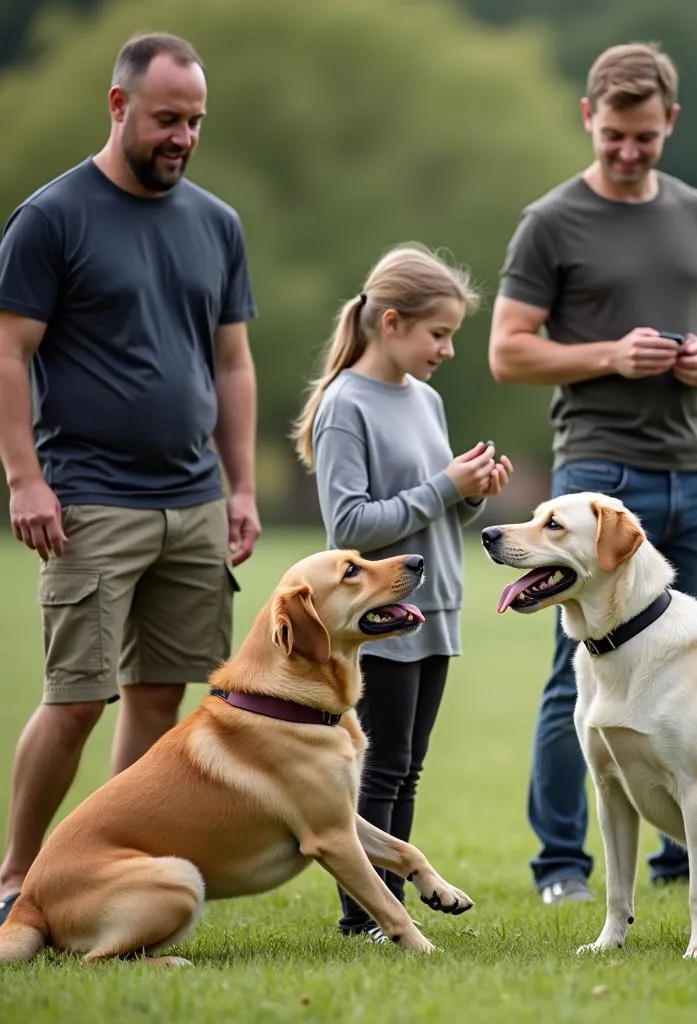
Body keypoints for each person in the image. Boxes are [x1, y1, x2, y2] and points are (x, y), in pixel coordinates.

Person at [0, 32, 260, 927]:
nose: (181, 137)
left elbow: (232, 363)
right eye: (165, 120)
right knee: (75, 697)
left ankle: (102, 870)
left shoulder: (216, 223)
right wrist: (23, 477)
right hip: (89, 498)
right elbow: (8, 349)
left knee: (161, 697)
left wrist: (242, 488)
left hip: (192, 501)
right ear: (118, 108)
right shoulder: (52, 217)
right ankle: (14, 880)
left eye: (193, 121)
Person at [489, 42, 697, 904]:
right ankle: (562, 868)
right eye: (614, 136)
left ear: (670, 123)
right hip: (597, 474)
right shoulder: (551, 221)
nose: (629, 151)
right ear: (588, 120)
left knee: (688, 673)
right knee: (578, 675)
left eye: (645, 137)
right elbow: (507, 352)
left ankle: (684, 862)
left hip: (693, 473)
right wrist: (613, 354)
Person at [292, 242, 513, 941]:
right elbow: (350, 525)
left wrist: (472, 495)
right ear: (391, 323)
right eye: (438, 334)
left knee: (407, 768)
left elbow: (433, 506)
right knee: (381, 770)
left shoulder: (427, 398)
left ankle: (384, 907)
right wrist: (445, 485)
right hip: (378, 621)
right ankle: (365, 915)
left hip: (436, 608)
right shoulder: (345, 407)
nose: (446, 350)